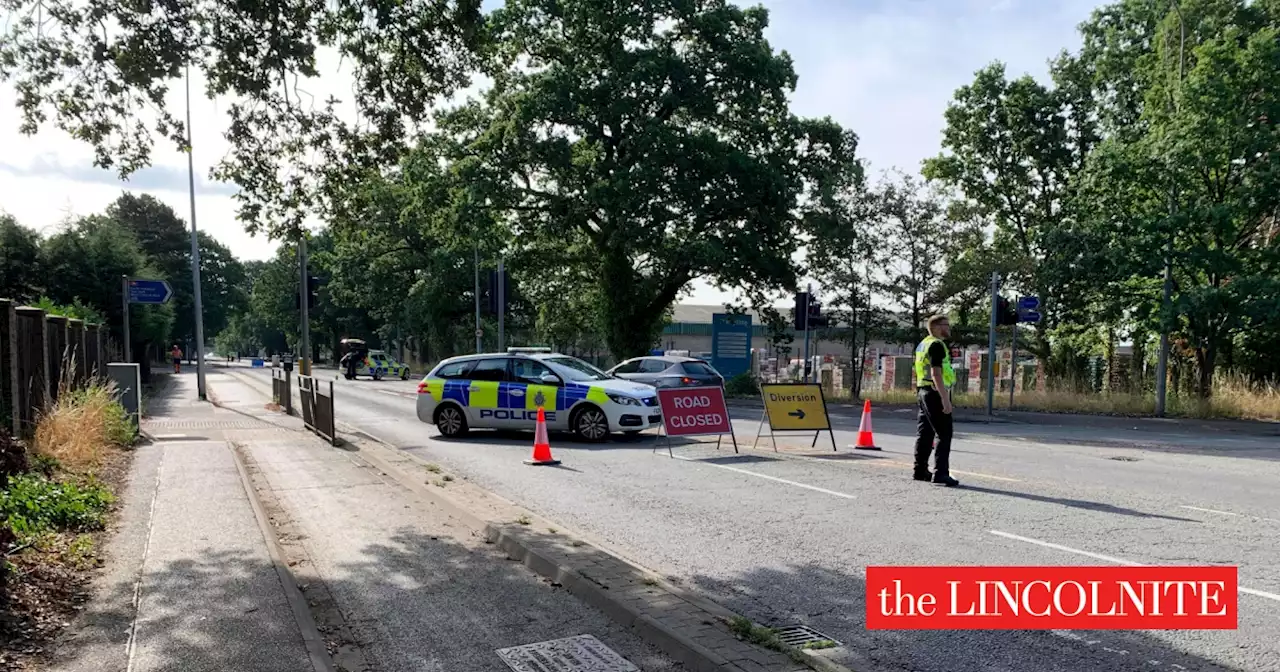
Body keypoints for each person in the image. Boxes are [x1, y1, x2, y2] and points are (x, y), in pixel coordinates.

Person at [913, 315, 959, 487]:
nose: (949, 328)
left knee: (925, 433)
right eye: (947, 325)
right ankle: (941, 473)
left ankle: (920, 470)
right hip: (935, 392)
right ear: (939, 326)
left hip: (923, 391)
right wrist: (945, 399)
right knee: (944, 433)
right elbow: (936, 373)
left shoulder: (923, 344)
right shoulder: (937, 345)